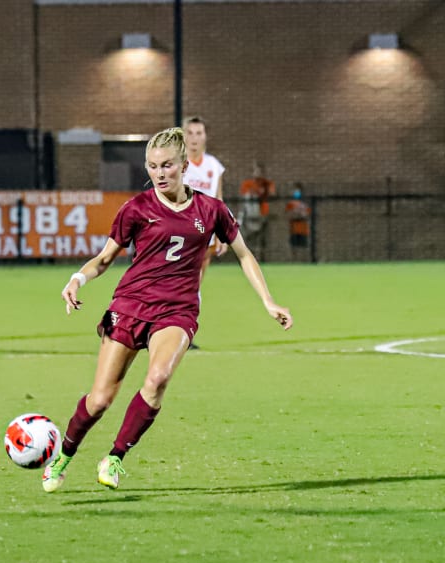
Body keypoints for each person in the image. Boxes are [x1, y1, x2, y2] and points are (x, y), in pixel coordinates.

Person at [42, 127, 293, 493]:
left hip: (177, 311)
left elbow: (243, 253)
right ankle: (63, 455)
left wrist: (268, 301)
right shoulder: (136, 208)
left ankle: (114, 458)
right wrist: (77, 279)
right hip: (130, 305)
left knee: (158, 379)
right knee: (100, 400)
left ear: (183, 166)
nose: (160, 174)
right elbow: (105, 258)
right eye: (154, 166)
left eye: (168, 166)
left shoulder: (210, 210)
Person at [182, 115, 226, 349]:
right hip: (178, 236)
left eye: (199, 133)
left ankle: (184, 333)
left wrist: (221, 232)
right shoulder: (177, 165)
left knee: (194, 284)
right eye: (190, 133)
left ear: (205, 137)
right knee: (171, 283)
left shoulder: (213, 166)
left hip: (203, 237)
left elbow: (218, 201)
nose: (195, 138)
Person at [238, 163, 275, 261]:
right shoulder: (247, 183)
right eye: (256, 171)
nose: (257, 173)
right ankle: (248, 258)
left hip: (262, 214)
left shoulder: (266, 184)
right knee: (248, 239)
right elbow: (245, 196)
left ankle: (260, 259)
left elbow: (272, 194)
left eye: (260, 171)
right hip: (249, 215)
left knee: (261, 239)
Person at [285, 182, 311, 261]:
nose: (296, 192)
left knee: (304, 246)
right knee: (293, 247)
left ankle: (304, 261)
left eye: (298, 190)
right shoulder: (291, 204)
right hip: (293, 228)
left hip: (303, 228)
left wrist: (301, 214)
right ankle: (293, 261)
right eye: (295, 190)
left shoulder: (305, 203)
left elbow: (308, 214)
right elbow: (287, 214)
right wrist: (294, 214)